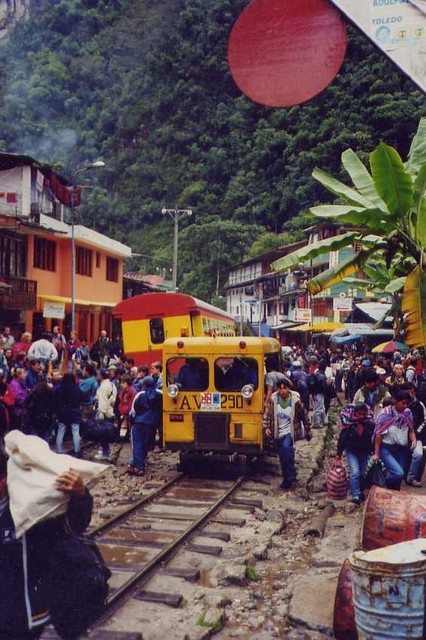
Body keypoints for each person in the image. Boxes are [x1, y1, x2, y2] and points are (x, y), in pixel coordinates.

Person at [0, 446, 93, 640]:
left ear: (4, 480)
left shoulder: (31, 510)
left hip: (23, 616)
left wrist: (80, 494)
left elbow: (75, 526)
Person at [262, 377, 312, 490]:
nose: (282, 391)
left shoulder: (295, 401)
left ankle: (288, 478)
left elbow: (304, 415)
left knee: (285, 449)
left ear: (288, 388)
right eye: (280, 388)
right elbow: (267, 414)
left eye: (284, 388)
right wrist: (266, 427)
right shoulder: (273, 399)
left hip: (290, 430)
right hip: (277, 431)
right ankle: (290, 474)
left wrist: (308, 429)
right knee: (283, 455)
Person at [373, 389, 416, 491]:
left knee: (398, 479)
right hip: (387, 448)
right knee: (398, 473)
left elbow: (411, 429)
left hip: (401, 449)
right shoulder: (385, 414)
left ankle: (391, 497)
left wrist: (413, 440)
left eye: (407, 403)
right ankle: (381, 484)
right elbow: (378, 434)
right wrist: (377, 453)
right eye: (403, 403)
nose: (405, 406)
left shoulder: (407, 413)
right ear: (395, 401)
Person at [335, 402, 375, 505]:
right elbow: (342, 439)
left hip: (364, 451)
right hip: (351, 450)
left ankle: (361, 491)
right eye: (359, 414)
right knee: (355, 472)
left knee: (362, 472)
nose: (361, 416)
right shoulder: (348, 424)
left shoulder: (370, 424)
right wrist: (338, 454)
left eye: (363, 414)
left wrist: (375, 452)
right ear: (355, 413)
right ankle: (355, 494)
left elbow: (373, 439)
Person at [128, 376, 163, 476]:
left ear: (144, 385)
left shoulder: (140, 395)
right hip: (152, 424)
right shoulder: (160, 394)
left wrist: (132, 420)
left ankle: (139, 467)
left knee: (137, 445)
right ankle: (134, 463)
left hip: (138, 423)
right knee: (145, 445)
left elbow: (133, 411)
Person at [55, 372, 83, 457]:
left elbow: (56, 400)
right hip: (74, 411)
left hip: (62, 411)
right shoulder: (76, 388)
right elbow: (81, 398)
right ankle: (77, 451)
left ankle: (59, 451)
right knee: (75, 431)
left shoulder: (59, 388)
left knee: (61, 431)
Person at [94, 368, 117, 461]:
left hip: (104, 412)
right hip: (111, 411)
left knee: (103, 433)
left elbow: (102, 401)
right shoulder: (112, 384)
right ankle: (106, 450)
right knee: (106, 432)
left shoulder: (103, 386)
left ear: (101, 376)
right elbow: (113, 399)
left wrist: (102, 412)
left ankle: (105, 453)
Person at [26, 375, 55, 442]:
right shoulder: (50, 391)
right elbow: (53, 403)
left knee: (35, 434)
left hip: (35, 415)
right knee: (45, 434)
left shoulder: (34, 391)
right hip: (47, 415)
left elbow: (27, 401)